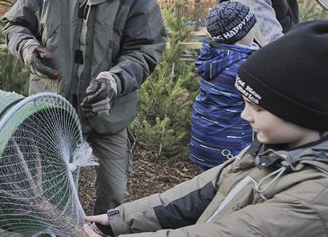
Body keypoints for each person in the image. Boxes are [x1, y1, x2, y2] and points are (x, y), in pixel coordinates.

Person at [2, 0, 167, 215]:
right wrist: (29, 49)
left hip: (109, 115)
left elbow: (148, 46)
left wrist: (115, 81)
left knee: (114, 195)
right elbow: (14, 26)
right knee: (53, 194)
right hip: (53, 114)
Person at [84, 20, 328, 237]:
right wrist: (118, 220)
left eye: (258, 108)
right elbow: (195, 195)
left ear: (303, 113)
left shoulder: (316, 197)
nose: (245, 115)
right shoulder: (268, 151)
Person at [188, 1, 258, 169]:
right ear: (242, 32)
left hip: (204, 139)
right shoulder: (244, 66)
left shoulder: (213, 57)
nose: (255, 31)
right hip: (232, 146)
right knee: (230, 187)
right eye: (252, 27)